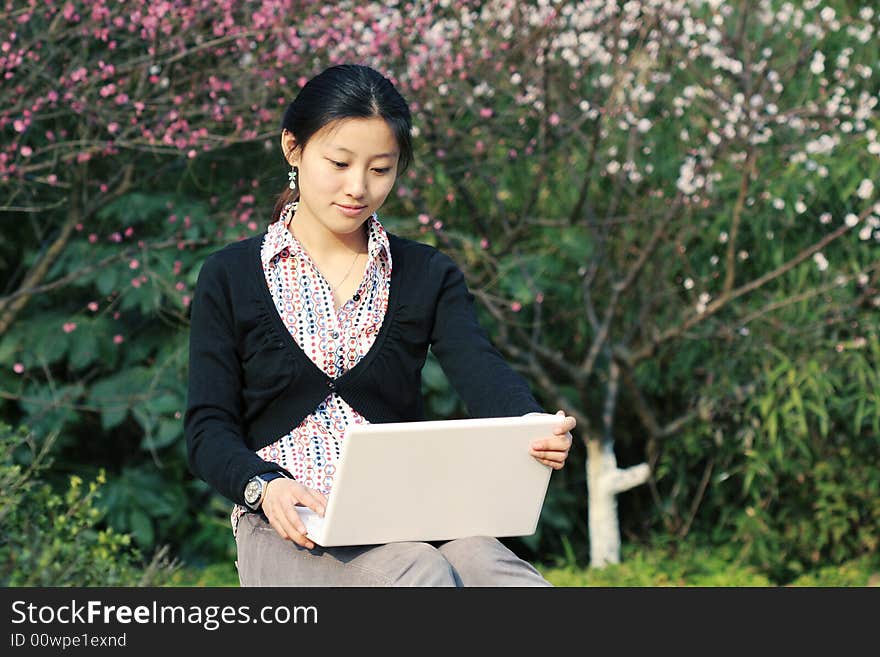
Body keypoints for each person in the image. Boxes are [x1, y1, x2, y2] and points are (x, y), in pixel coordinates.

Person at [184, 63, 576, 586]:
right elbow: (207, 427)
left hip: (410, 514)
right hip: (291, 528)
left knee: (497, 574)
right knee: (418, 574)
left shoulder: (425, 272)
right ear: (293, 149)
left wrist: (531, 428)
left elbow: (480, 369)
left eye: (380, 169)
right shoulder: (230, 275)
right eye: (339, 163)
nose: (358, 188)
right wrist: (263, 486)